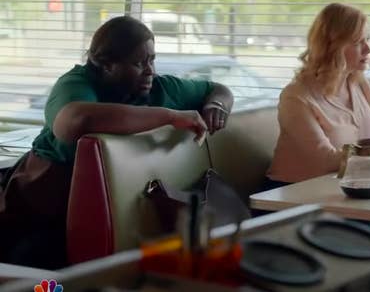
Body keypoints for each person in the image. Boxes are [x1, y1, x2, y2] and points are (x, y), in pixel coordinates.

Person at [0, 16, 234, 268]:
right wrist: (168, 116)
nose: (150, 71)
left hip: (111, 208)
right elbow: (73, 123)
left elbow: (219, 89)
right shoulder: (76, 83)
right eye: (138, 63)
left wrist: (216, 105)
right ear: (106, 64)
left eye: (151, 60)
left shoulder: (162, 88)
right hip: (43, 201)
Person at [266, 2, 370, 186]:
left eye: (367, 40)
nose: (368, 49)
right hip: (293, 197)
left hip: (345, 189)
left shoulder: (362, 85)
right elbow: (326, 161)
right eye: (358, 42)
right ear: (332, 46)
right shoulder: (296, 96)